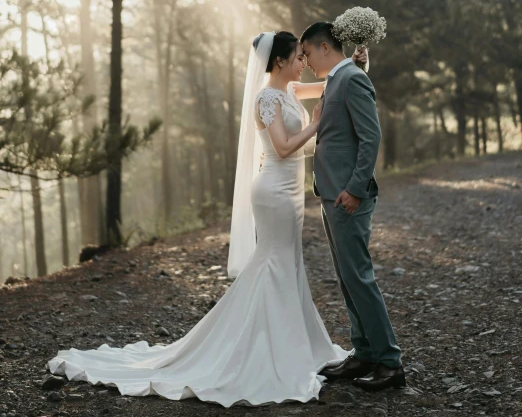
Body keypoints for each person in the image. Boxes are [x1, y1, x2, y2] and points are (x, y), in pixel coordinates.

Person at [47, 30, 372, 405]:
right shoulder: (266, 97)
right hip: (273, 191)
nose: (304, 62)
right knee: (274, 262)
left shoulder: (289, 92)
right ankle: (264, 347)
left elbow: (329, 88)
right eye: (298, 57)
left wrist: (355, 66)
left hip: (289, 193)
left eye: (305, 56)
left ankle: (292, 341)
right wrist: (315, 124)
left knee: (287, 262)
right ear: (280, 61)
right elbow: (283, 148)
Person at [301, 21, 405, 392]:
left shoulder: (351, 80)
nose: (306, 60)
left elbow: (370, 136)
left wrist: (356, 188)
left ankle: (390, 363)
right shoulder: (342, 77)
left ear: (325, 47)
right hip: (332, 192)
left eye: (308, 53)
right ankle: (363, 352)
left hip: (348, 195)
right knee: (347, 279)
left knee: (359, 277)